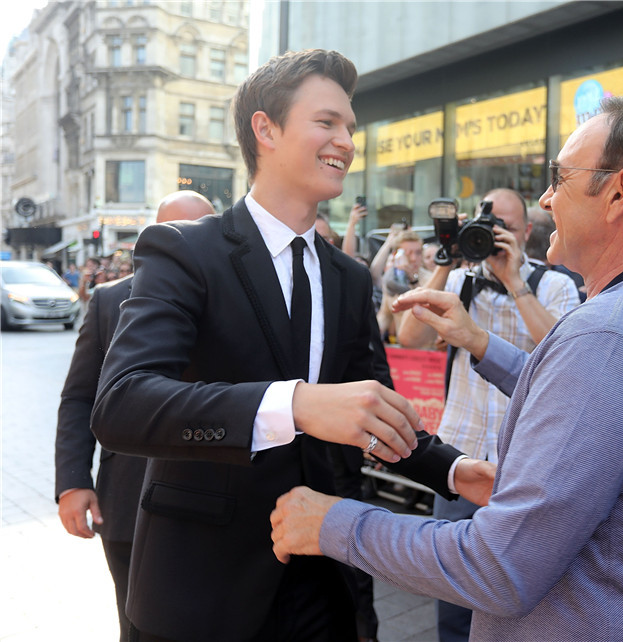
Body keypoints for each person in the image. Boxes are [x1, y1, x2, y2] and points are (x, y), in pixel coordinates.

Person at [270, 97, 623, 641]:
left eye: (560, 179)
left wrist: (334, 523)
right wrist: (479, 343)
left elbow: (499, 568)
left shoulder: (610, 337)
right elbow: (610, 412)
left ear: (619, 192)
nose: (547, 199)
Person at [90, 49, 487, 642]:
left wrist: (454, 471)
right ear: (265, 128)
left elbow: (374, 410)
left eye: (350, 127)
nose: (347, 141)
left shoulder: (349, 278)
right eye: (327, 122)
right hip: (203, 589)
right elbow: (123, 406)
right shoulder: (182, 251)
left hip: (326, 582)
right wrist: (295, 404)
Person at [397, 186, 579, 641]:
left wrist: (516, 282)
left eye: (505, 229)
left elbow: (569, 357)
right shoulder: (459, 281)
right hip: (458, 458)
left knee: (520, 591)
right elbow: (410, 338)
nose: (494, 237)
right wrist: (445, 260)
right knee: (452, 592)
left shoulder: (554, 285)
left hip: (524, 466)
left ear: (526, 232)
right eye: (487, 227)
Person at [55, 190, 215, 641]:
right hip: (127, 501)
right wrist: (73, 481)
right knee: (137, 626)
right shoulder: (109, 301)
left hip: (216, 500)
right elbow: (79, 396)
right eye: (172, 234)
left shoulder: (235, 299)